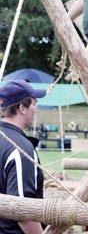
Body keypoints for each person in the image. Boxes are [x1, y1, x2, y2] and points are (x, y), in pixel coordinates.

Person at [0, 80, 47, 234]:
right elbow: (22, 211)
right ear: (22, 108)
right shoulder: (21, 148)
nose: (37, 110)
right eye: (34, 104)